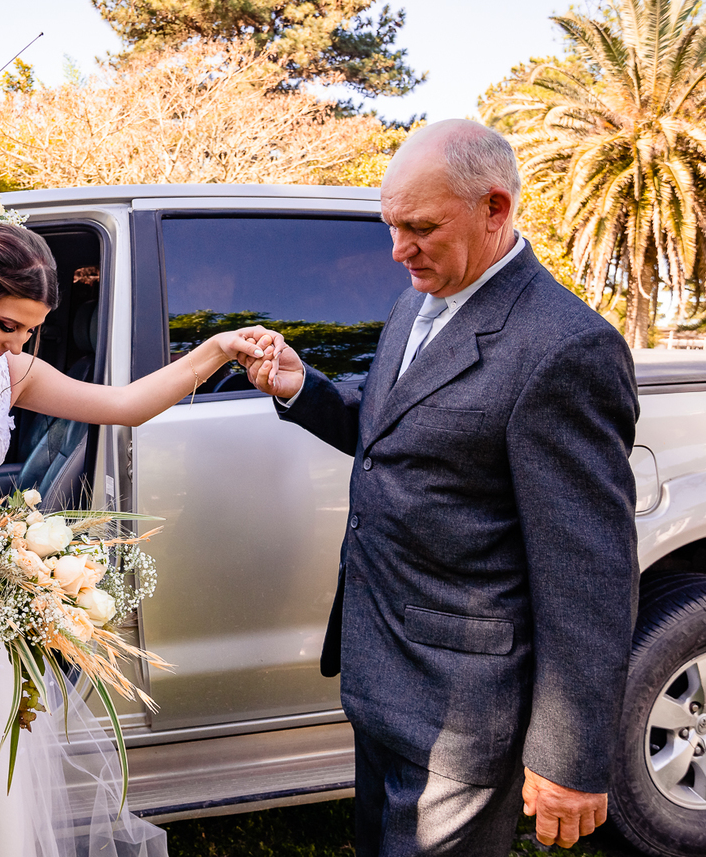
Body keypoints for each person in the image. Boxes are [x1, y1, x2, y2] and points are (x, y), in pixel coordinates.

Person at [240, 119, 640, 856]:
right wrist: (305, 388)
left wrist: (570, 759)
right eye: (391, 225)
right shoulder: (414, 303)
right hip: (379, 674)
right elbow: (393, 429)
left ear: (496, 208)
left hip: (463, 712)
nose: (397, 251)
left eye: (419, 227)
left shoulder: (565, 347)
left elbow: (588, 575)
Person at [0, 215, 270, 857]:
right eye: (5, 325)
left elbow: (124, 405)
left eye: (31, 331)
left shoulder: (9, 374)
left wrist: (216, 350)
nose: (15, 345)